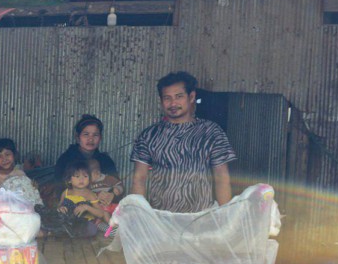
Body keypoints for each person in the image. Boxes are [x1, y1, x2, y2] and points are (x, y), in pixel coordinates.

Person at [130, 71, 237, 213]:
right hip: (161, 218)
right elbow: (139, 179)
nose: (173, 103)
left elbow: (222, 178)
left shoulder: (211, 132)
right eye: (167, 98)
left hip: (200, 217)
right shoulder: (149, 135)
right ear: (161, 101)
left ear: (191, 97)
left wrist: (226, 216)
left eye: (179, 96)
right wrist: (138, 214)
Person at [54, 115, 118, 206]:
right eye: (86, 134)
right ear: (77, 137)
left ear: (100, 138)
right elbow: (59, 188)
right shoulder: (66, 160)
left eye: (95, 135)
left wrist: (112, 195)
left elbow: (117, 185)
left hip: (101, 207)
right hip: (73, 206)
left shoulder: (106, 161)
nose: (91, 139)